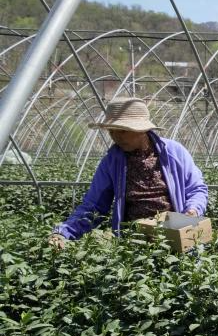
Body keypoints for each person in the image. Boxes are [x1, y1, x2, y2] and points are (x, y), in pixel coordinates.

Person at [49, 98, 208, 248]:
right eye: (112, 131)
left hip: (175, 237)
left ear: (142, 130)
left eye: (122, 131)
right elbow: (93, 206)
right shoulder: (112, 162)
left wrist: (192, 210)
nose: (116, 137)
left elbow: (196, 188)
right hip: (133, 244)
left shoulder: (173, 153)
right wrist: (63, 232)